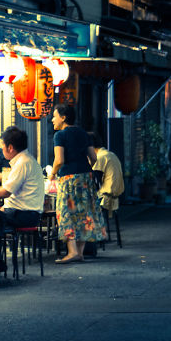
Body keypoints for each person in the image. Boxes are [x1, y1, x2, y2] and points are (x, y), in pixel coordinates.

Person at [0, 126, 45, 276]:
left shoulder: (23, 163)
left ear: (10, 147)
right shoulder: (26, 160)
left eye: (2, 146)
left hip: (24, 215)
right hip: (24, 213)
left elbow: (6, 192)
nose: (1, 149)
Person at [49, 105, 106, 264]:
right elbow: (94, 158)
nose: (52, 119)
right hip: (86, 178)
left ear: (63, 118)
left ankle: (72, 251)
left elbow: (59, 160)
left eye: (54, 116)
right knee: (84, 213)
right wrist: (84, 169)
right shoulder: (83, 133)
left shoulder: (60, 135)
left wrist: (52, 173)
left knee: (66, 213)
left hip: (68, 179)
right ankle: (80, 252)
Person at [90, 133, 125, 212]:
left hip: (103, 200)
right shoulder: (111, 154)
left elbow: (94, 181)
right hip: (114, 200)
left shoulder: (99, 158)